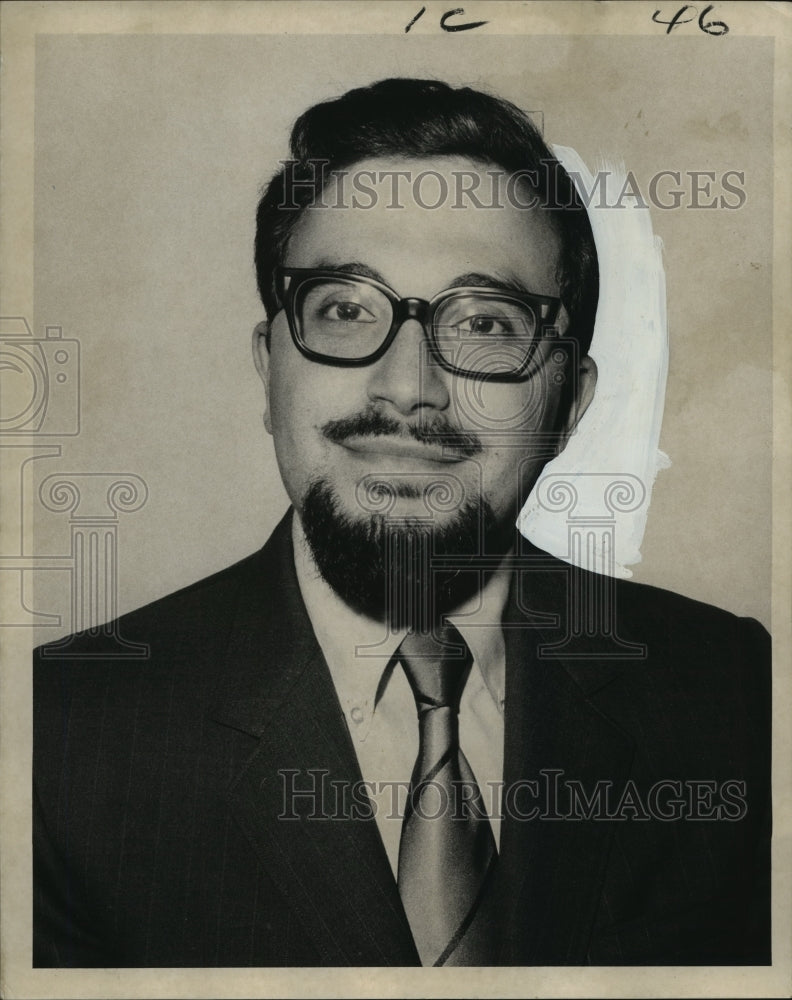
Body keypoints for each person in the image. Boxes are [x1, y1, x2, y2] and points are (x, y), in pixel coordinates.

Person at [33, 77, 770, 968]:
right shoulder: (55, 738)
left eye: (486, 322)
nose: (408, 388)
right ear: (271, 366)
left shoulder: (736, 697)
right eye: (345, 309)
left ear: (568, 399)